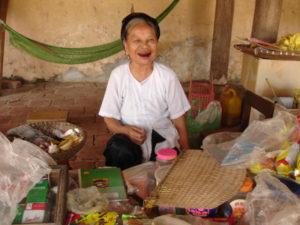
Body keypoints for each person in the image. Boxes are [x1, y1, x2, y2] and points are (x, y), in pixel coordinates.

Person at [99, 12, 190, 170]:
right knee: (118, 150)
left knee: (167, 175)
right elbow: (109, 118)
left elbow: (179, 120)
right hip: (130, 145)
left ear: (157, 43)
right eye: (137, 41)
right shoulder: (118, 76)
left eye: (150, 40)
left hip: (162, 144)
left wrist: (188, 154)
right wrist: (124, 130)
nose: (145, 46)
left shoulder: (167, 76)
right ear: (126, 47)